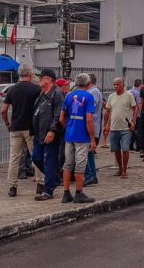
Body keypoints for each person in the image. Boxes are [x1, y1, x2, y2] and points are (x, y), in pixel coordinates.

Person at [2, 64, 43, 198]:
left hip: (15, 127)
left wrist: (8, 123)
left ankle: (12, 186)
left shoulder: (12, 90)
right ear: (30, 74)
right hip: (30, 128)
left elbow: (3, 110)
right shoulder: (36, 89)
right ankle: (40, 183)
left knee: (14, 157)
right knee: (36, 155)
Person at [59, 73, 97, 204]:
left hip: (70, 134)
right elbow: (89, 119)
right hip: (82, 135)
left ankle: (66, 192)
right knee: (80, 164)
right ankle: (79, 192)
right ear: (88, 84)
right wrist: (92, 139)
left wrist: (68, 127)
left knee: (68, 163)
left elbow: (62, 117)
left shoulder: (69, 96)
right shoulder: (88, 96)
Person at [31, 69, 64, 201]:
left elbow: (58, 114)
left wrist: (52, 130)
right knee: (36, 157)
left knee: (49, 160)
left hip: (50, 134)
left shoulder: (57, 93)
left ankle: (48, 190)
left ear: (49, 79)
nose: (39, 80)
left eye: (42, 78)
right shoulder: (42, 94)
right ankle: (55, 177)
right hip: (39, 133)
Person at [103, 77, 138, 178]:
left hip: (125, 128)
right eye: (114, 84)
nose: (115, 86)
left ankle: (124, 170)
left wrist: (133, 121)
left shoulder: (129, 95)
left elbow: (135, 108)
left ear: (123, 85)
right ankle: (119, 168)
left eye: (118, 84)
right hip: (114, 128)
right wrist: (106, 125)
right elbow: (108, 111)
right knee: (116, 150)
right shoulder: (111, 97)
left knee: (125, 149)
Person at [83, 75, 103, 186]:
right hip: (92, 125)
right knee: (89, 152)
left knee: (85, 152)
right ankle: (93, 176)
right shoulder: (94, 91)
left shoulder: (93, 92)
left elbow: (91, 109)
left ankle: (90, 175)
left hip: (91, 125)